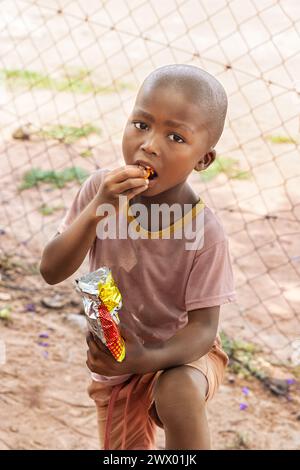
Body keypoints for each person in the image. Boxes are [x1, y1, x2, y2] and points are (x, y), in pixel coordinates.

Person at [40, 64, 236, 450]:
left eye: (176, 136)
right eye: (141, 125)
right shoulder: (100, 189)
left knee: (177, 389)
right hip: (115, 352)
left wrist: (146, 357)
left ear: (203, 159)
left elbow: (202, 330)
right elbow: (51, 269)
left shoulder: (205, 233)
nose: (150, 145)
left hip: (180, 354)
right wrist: (99, 206)